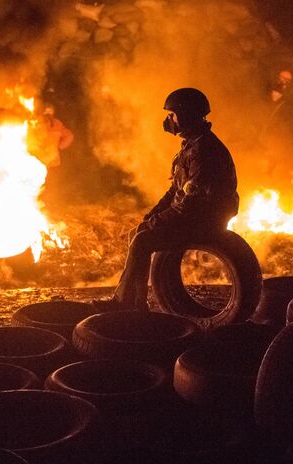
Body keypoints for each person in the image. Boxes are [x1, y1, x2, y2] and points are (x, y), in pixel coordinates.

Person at [93, 88, 239, 311]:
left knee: (143, 240)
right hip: (192, 215)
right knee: (139, 233)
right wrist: (152, 215)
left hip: (206, 220)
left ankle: (123, 303)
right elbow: (175, 191)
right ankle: (134, 303)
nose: (168, 120)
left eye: (172, 115)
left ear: (186, 115)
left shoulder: (205, 151)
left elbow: (191, 205)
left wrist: (157, 222)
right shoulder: (191, 145)